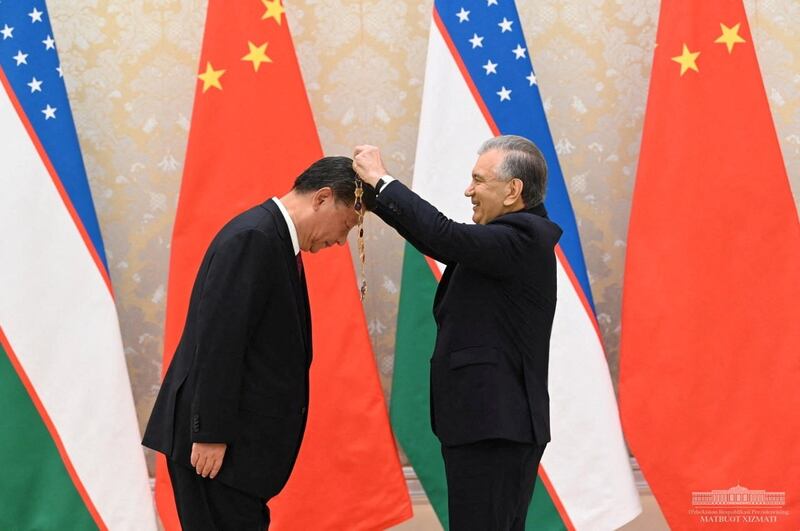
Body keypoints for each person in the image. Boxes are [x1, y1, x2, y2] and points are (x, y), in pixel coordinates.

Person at [142, 156, 375, 530]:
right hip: (216, 450)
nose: (340, 241)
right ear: (323, 198)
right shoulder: (255, 237)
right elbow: (220, 341)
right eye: (347, 225)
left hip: (236, 454)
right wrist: (210, 434)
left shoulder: (273, 238)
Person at [353, 135, 562, 531]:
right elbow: (435, 241)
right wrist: (377, 199)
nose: (469, 190)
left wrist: (383, 180)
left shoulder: (524, 237)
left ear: (513, 190)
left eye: (478, 180)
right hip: (485, 425)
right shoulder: (505, 242)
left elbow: (444, 235)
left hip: (496, 428)